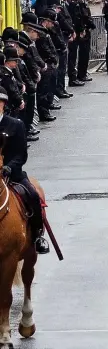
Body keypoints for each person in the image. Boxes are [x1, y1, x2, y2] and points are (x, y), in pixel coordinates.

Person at [0, 86, 49, 253]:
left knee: (33, 196)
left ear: (4, 105)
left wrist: (8, 167)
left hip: (12, 174)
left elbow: (21, 155)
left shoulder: (16, 125)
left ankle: (37, 236)